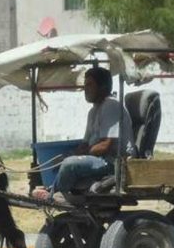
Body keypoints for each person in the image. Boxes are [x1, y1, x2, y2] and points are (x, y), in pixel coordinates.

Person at [32, 67, 136, 202]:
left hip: (114, 162)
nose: (85, 89)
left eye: (89, 84)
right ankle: (53, 188)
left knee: (70, 163)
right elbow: (85, 143)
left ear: (103, 87)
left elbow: (105, 145)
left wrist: (77, 156)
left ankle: (57, 194)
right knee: (62, 159)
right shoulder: (93, 111)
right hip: (100, 158)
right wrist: (69, 154)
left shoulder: (111, 105)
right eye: (85, 85)